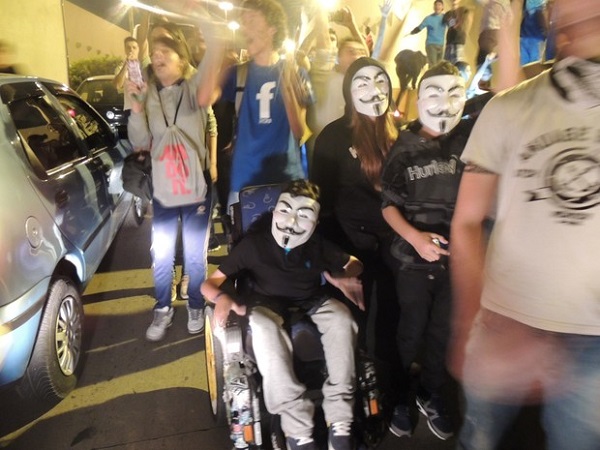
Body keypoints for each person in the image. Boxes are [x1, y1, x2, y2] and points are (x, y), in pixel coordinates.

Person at [449, 0, 600, 448]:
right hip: (505, 316)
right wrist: (470, 321)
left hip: (594, 338)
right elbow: (467, 221)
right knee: (481, 439)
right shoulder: (508, 108)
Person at [201, 179, 363, 450]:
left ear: (315, 223)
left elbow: (355, 263)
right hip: (266, 302)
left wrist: (340, 276)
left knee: (342, 319)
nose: (290, 222)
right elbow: (210, 282)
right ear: (275, 211)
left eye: (303, 215)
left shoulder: (318, 245)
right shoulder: (254, 246)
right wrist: (223, 298)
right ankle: (298, 430)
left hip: (311, 300)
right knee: (263, 329)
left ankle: (340, 421)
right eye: (285, 210)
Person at [381, 61, 471, 441]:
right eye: (435, 93)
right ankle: (400, 395)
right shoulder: (403, 149)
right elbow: (387, 204)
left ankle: (430, 392)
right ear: (419, 98)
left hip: (456, 261)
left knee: (441, 332)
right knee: (410, 330)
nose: (444, 103)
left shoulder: (468, 140)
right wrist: (416, 238)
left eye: (454, 93)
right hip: (412, 263)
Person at [311, 57, 399, 391]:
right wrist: (333, 264)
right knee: (359, 327)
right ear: (349, 91)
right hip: (352, 246)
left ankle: (392, 385)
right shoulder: (334, 137)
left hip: (396, 244)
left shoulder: (400, 135)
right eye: (361, 83)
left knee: (394, 321)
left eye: (380, 82)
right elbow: (323, 204)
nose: (373, 90)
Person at [127, 36, 216, 342]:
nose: (157, 56)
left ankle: (195, 304)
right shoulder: (148, 93)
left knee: (195, 254)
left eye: (166, 52)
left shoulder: (195, 88)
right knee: (161, 253)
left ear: (182, 59)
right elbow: (139, 142)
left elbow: (212, 66)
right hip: (164, 189)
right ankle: (163, 307)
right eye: (154, 53)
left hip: (195, 188)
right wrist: (137, 109)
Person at [199, 0, 313, 208]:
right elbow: (204, 99)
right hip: (245, 179)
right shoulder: (238, 72)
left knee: (284, 238)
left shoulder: (297, 73)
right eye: (243, 22)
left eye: (251, 20)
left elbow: (299, 131)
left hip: (285, 178)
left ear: (272, 29)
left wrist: (288, 90)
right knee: (246, 240)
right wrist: (216, 48)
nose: (244, 28)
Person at [302, 6, 369, 174]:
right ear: (338, 57)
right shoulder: (323, 75)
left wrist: (352, 25)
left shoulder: (360, 84)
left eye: (360, 52)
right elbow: (322, 45)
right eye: (351, 52)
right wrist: (321, 13)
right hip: (322, 153)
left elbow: (367, 60)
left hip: (350, 155)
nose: (357, 55)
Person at [408, 0, 447, 67]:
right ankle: (430, 76)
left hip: (441, 45)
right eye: (436, 5)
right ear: (434, 7)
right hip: (431, 45)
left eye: (439, 5)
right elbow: (420, 27)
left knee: (440, 66)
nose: (437, 6)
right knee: (433, 66)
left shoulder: (445, 18)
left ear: (442, 7)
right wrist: (412, 32)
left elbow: (452, 23)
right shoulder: (429, 18)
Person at [113, 37, 140, 112]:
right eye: (128, 48)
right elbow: (117, 85)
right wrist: (126, 65)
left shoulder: (144, 66)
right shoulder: (120, 68)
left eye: (134, 47)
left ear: (138, 49)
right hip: (131, 109)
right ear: (125, 50)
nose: (131, 50)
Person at [443, 0, 473, 67]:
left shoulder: (464, 11)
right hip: (450, 42)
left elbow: (456, 25)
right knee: (446, 65)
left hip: (458, 42)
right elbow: (449, 23)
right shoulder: (449, 14)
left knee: (457, 64)